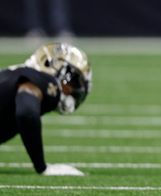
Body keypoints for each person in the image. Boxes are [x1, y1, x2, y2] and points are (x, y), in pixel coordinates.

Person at [0, 42, 92, 175]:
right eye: (73, 80)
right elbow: (26, 112)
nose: (72, 88)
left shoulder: (12, 75)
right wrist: (42, 167)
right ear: (49, 65)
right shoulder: (41, 80)